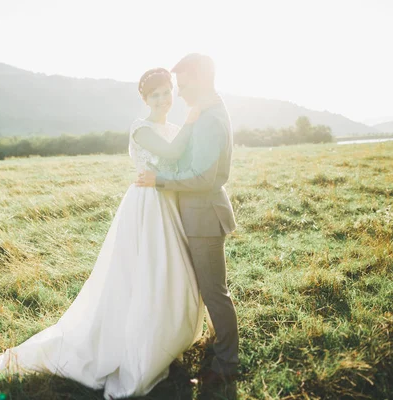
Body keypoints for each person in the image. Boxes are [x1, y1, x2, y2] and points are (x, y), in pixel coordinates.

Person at [0, 67, 206, 399]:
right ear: (145, 99)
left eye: (167, 92)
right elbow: (171, 153)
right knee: (140, 274)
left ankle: (167, 338)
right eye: (155, 95)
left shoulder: (174, 127)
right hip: (146, 207)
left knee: (169, 274)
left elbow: (184, 159)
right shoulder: (141, 129)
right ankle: (133, 345)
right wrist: (194, 120)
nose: (163, 99)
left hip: (169, 204)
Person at [136, 53, 240, 386]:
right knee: (206, 290)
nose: (178, 93)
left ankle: (226, 364)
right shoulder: (206, 113)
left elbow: (203, 179)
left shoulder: (209, 119)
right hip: (194, 216)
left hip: (204, 217)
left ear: (199, 79)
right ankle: (216, 345)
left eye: (182, 85)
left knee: (214, 292)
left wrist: (160, 181)